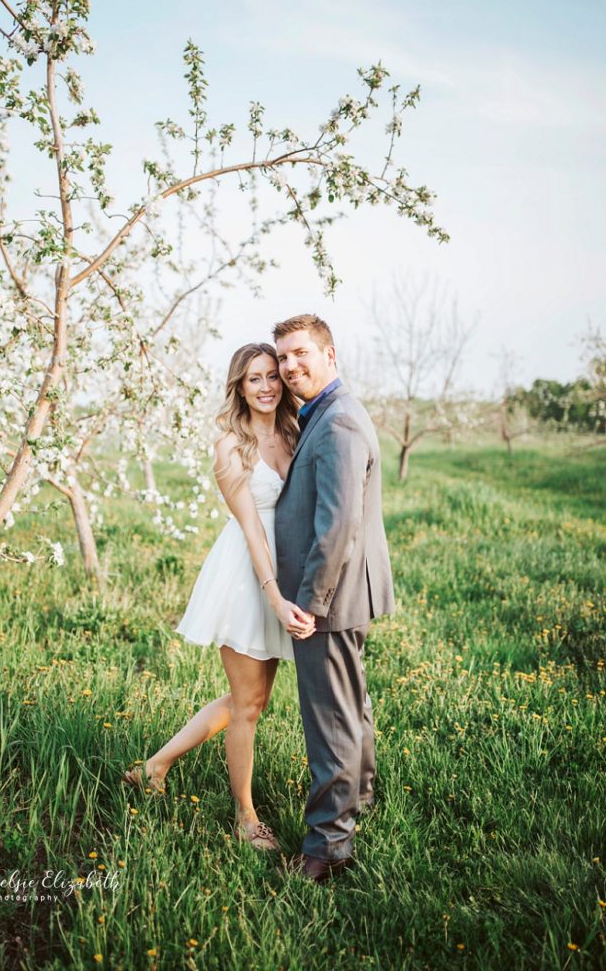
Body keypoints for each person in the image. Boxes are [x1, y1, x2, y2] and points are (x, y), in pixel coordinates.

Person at [123, 342, 315, 849]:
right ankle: (246, 818)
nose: (268, 386)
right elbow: (252, 526)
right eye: (254, 378)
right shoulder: (231, 445)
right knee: (248, 705)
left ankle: (154, 766)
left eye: (273, 375)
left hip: (288, 566)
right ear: (239, 386)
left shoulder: (296, 431)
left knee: (250, 700)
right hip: (249, 575)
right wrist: (273, 594)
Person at [273, 314, 395, 883]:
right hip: (342, 593)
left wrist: (311, 604)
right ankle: (361, 797)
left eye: (300, 353)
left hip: (329, 597)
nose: (289, 365)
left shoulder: (339, 422)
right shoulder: (326, 414)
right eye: (282, 357)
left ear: (329, 354)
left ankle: (327, 846)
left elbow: (338, 526)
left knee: (330, 720)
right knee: (350, 706)